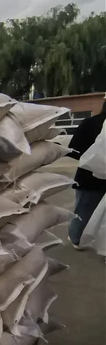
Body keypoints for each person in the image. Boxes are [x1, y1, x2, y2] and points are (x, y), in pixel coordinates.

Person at [68, 97, 106, 248]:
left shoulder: (90, 123)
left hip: (88, 178)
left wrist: (91, 160)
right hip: (93, 180)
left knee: (83, 211)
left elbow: (73, 150)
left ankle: (76, 239)